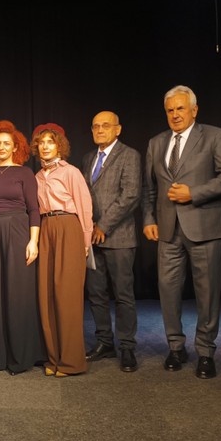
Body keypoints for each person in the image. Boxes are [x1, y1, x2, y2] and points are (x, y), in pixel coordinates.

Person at [142, 85, 221, 379]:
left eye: (180, 108)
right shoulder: (156, 142)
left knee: (207, 292)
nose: (175, 114)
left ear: (194, 110)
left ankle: (205, 352)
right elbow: (149, 187)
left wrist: (194, 193)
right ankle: (175, 347)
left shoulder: (213, 135)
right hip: (167, 230)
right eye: (170, 110)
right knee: (168, 290)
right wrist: (148, 218)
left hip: (205, 227)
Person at [0, 120, 46, 375]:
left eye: (7, 143)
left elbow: (34, 209)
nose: (2, 147)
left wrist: (33, 241)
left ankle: (22, 354)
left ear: (16, 147)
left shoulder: (24, 173)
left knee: (18, 292)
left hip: (19, 230)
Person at [31, 123, 92, 377]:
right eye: (41, 142)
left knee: (67, 296)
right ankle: (54, 357)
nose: (45, 147)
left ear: (60, 146)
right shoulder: (37, 177)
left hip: (69, 227)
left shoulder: (71, 172)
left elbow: (85, 206)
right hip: (46, 228)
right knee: (47, 294)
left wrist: (86, 241)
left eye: (50, 142)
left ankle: (72, 361)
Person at [82, 111, 141, 372]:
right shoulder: (88, 158)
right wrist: (88, 228)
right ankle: (105, 342)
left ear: (118, 129)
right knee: (96, 293)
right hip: (92, 238)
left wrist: (103, 226)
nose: (100, 130)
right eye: (95, 126)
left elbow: (130, 195)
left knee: (123, 294)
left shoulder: (130, 155)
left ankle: (127, 346)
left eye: (105, 126)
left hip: (119, 237)